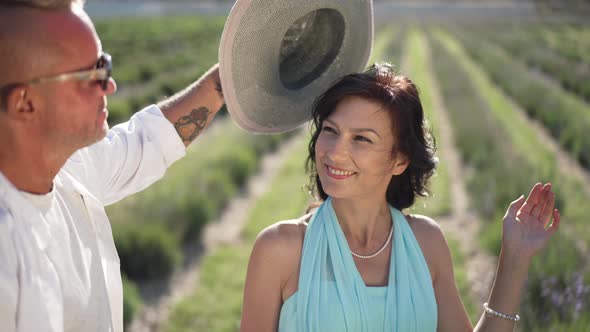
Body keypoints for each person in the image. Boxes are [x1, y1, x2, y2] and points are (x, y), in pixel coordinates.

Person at [240, 63, 561, 331]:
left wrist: (515, 258)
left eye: (361, 139)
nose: (335, 152)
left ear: (399, 160)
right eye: (330, 130)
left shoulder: (426, 242)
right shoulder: (279, 249)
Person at [0, 0, 224, 331]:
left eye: (104, 65)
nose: (110, 85)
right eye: (90, 76)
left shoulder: (68, 169)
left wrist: (228, 80)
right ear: (26, 103)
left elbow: (146, 141)